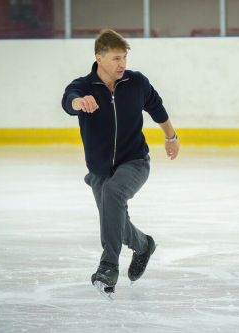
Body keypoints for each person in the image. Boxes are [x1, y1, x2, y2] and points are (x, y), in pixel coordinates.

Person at [61, 29, 180, 299]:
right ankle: (143, 245)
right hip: (100, 168)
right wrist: (79, 103)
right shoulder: (84, 86)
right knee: (114, 219)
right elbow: (68, 100)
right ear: (99, 58)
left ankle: (108, 266)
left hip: (134, 160)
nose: (122, 64)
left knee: (113, 195)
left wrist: (171, 137)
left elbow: (157, 107)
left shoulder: (136, 82)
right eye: (116, 58)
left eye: (124, 57)